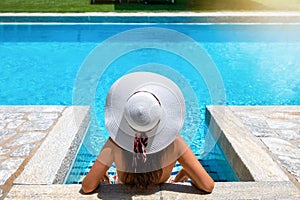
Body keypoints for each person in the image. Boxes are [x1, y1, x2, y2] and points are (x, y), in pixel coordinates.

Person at [81, 72, 214, 194]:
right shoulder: (175, 143)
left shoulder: (115, 142)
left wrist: (100, 173)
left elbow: (87, 187)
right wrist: (187, 171)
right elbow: (207, 185)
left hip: (123, 183)